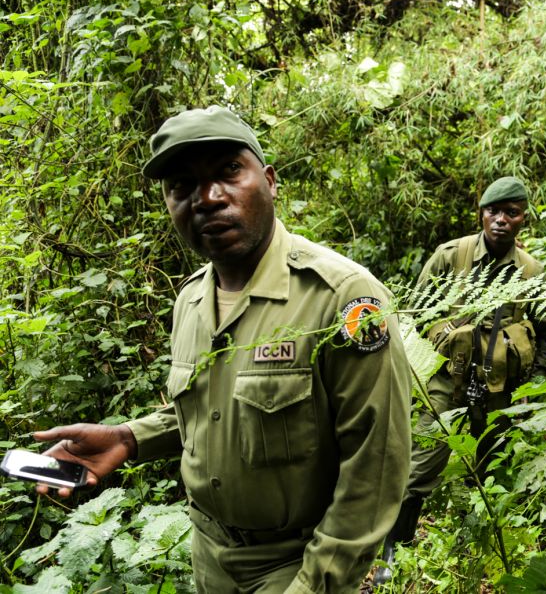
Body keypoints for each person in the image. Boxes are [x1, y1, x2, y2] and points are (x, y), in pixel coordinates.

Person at [33, 105, 412, 594]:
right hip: (209, 559)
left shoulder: (340, 297)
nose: (207, 198)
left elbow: (377, 464)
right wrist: (128, 439)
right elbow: (212, 406)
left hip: (295, 566)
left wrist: (313, 585)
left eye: (229, 172)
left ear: (270, 181)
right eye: (181, 186)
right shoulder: (191, 299)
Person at [372, 176, 546, 585]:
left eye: (512, 213)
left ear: (524, 219)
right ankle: (393, 555)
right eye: (494, 211)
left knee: (493, 468)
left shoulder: (531, 272)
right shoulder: (449, 256)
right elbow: (414, 311)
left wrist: (534, 392)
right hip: (447, 380)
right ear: (482, 213)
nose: (501, 220)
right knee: (421, 467)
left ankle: (480, 557)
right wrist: (445, 333)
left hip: (501, 390)